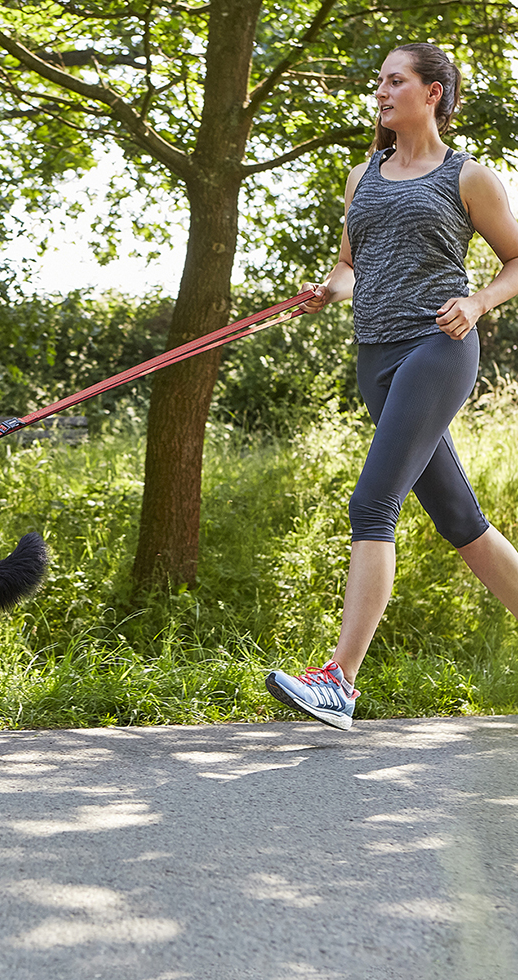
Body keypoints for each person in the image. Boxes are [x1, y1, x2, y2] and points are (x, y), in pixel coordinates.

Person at [265, 42, 518, 730]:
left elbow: (517, 260)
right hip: (375, 357)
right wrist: (329, 289)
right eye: (378, 81)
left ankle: (339, 682)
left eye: (394, 80)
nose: (380, 91)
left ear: (432, 93)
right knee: (462, 524)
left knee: (372, 504)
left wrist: (477, 303)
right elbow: (351, 264)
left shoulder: (470, 177)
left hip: (438, 348)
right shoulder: (362, 177)